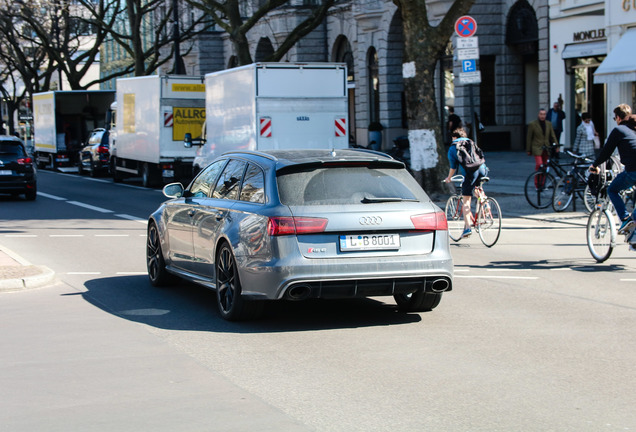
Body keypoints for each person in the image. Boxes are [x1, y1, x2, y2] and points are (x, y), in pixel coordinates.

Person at [589, 103, 636, 243]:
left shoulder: (619, 130)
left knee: (612, 189)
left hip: (633, 171)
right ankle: (633, 238)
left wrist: (594, 165)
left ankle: (625, 219)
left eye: (615, 118)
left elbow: (606, 152)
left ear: (618, 118)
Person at [444, 127, 488, 239]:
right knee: (477, 188)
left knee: (466, 201)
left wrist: (449, 178)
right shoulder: (471, 142)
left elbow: (453, 167)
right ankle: (485, 203)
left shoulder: (453, 148)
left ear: (454, 137)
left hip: (470, 172)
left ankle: (467, 228)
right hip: (482, 169)